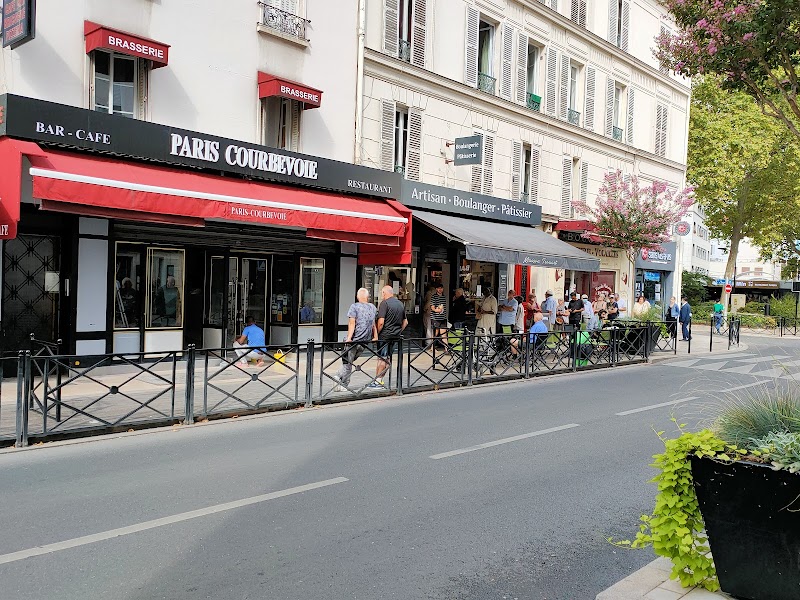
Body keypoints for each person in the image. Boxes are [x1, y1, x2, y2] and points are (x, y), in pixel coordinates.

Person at [333, 288, 377, 391]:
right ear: (367, 297)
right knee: (349, 362)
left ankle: (341, 381)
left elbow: (352, 323)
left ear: (358, 296)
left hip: (354, 339)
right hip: (365, 340)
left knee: (348, 362)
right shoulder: (373, 307)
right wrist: (375, 336)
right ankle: (340, 379)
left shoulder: (354, 306)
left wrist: (349, 338)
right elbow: (373, 324)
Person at [372, 285, 407, 388]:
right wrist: (399, 331)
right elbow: (405, 322)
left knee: (381, 358)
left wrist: (377, 334)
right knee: (388, 358)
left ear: (384, 293)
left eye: (382, 293)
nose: (381, 295)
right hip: (395, 336)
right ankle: (380, 379)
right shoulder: (400, 304)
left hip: (384, 335)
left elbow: (381, 322)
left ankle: (377, 381)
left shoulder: (384, 303)